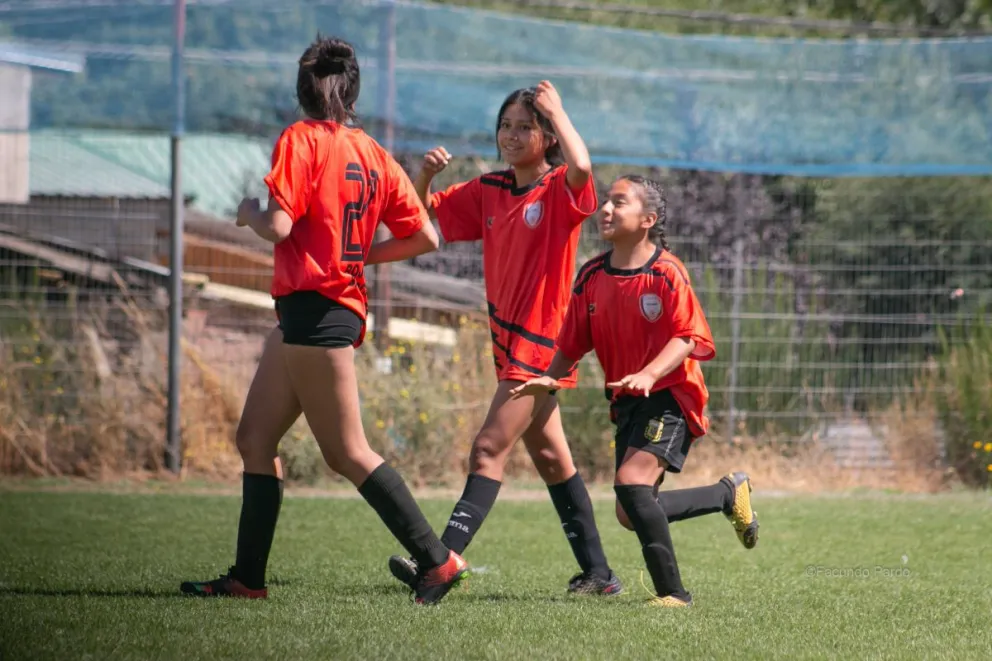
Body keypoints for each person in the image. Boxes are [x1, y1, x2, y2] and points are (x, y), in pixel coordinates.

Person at [179, 34, 466, 606]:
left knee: (346, 452)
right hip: (306, 312)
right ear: (352, 92)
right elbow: (425, 237)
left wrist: (247, 213)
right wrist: (359, 254)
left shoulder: (300, 139)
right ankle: (247, 581)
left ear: (301, 91)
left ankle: (438, 561)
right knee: (255, 439)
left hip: (319, 309)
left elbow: (279, 226)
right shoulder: (374, 153)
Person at [387, 81, 622, 596]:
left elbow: (584, 171)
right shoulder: (489, 190)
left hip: (540, 347)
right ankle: (600, 574)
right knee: (553, 460)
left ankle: (439, 561)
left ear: (548, 137)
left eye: (526, 127)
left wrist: (558, 110)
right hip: (508, 346)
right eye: (506, 125)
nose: (512, 136)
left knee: (488, 449)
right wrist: (425, 174)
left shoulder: (560, 186)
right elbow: (422, 218)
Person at [509, 174, 760, 607]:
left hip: (672, 396)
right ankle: (725, 494)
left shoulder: (666, 272)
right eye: (606, 202)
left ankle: (673, 595)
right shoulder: (591, 275)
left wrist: (648, 374)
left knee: (629, 482)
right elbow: (573, 342)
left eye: (618, 202)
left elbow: (687, 337)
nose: (605, 209)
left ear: (648, 219)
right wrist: (551, 377)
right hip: (627, 402)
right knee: (630, 511)